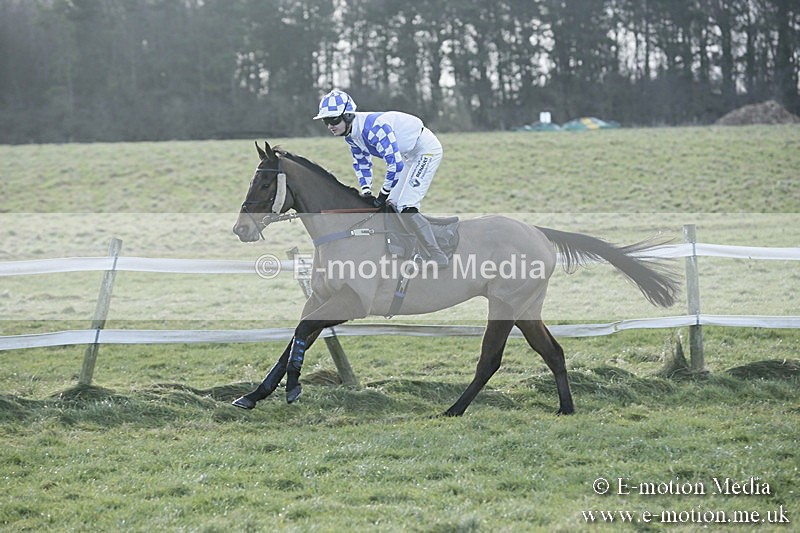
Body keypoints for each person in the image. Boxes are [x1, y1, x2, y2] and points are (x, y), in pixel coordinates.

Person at [313, 89, 448, 267]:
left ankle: (437, 255)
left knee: (407, 205)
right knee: (391, 205)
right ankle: (407, 248)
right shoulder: (351, 137)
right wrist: (367, 191)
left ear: (347, 116)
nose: (330, 125)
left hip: (425, 150)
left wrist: (382, 193)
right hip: (408, 155)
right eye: (326, 121)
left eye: (334, 119)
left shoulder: (375, 128)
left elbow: (395, 165)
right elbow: (362, 163)